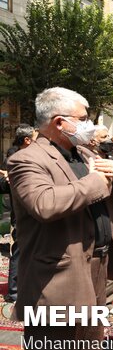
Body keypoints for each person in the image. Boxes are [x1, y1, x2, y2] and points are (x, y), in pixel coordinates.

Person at [8, 87, 113, 350]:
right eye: (84, 118)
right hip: (57, 277)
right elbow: (44, 204)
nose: (90, 125)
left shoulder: (84, 153)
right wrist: (95, 183)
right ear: (59, 122)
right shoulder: (27, 159)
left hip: (98, 269)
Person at [0, 124, 37, 303]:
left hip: (34, 210)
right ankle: (14, 291)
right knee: (20, 251)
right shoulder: (15, 157)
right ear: (27, 140)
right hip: (22, 213)